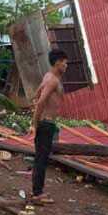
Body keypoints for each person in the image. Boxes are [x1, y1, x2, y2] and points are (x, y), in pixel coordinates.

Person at [29, 49, 68, 204]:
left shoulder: (48, 77)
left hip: (47, 123)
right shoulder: (52, 80)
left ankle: (37, 190)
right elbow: (39, 102)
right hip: (45, 124)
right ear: (57, 62)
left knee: (41, 158)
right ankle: (37, 193)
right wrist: (35, 125)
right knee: (41, 159)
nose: (66, 65)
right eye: (64, 62)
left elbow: (37, 93)